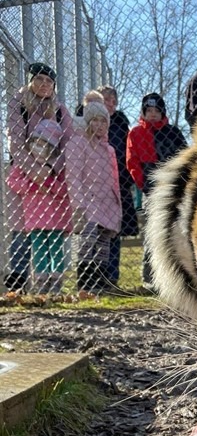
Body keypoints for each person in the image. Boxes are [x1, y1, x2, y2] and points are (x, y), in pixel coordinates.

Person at [4, 62, 74, 292]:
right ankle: (18, 285)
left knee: (50, 233)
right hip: (23, 173)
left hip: (53, 175)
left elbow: (68, 144)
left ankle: (48, 283)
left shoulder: (60, 110)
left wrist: (52, 169)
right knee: (21, 229)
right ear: (31, 81)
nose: (44, 85)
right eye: (40, 79)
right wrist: (36, 172)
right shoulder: (19, 104)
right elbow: (15, 141)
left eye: (49, 81)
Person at [126, 92, 187, 288]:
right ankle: (149, 278)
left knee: (176, 232)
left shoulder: (173, 133)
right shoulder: (136, 133)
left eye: (156, 111)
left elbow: (184, 158)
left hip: (173, 189)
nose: (152, 114)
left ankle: (175, 278)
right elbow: (132, 161)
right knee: (153, 233)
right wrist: (143, 184)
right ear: (143, 112)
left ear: (162, 113)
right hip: (150, 191)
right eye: (148, 110)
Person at [65, 97, 121, 297]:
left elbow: (114, 181)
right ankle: (85, 286)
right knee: (86, 244)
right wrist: (78, 206)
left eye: (103, 121)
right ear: (87, 121)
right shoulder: (77, 143)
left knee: (103, 246)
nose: (99, 125)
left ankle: (101, 285)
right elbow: (73, 177)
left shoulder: (108, 149)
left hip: (106, 202)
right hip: (87, 202)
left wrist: (117, 207)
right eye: (95, 120)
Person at [98, 85, 139, 287]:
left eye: (113, 101)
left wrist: (126, 178)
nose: (111, 104)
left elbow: (128, 153)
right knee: (96, 232)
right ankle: (94, 276)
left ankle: (112, 276)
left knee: (115, 231)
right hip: (95, 185)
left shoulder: (121, 122)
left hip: (118, 184)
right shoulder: (86, 120)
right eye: (106, 100)